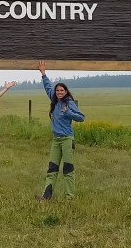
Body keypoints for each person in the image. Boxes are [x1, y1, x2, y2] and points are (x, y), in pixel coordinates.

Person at [36, 60, 85, 200]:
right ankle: (46, 196)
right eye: (57, 91)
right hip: (56, 140)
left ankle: (69, 196)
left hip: (67, 140)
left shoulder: (69, 103)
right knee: (52, 168)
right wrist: (43, 73)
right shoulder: (54, 100)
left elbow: (81, 117)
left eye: (61, 91)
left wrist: (68, 112)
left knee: (68, 168)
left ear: (66, 92)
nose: (59, 92)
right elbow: (48, 87)